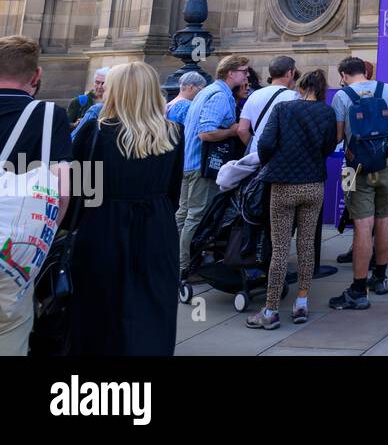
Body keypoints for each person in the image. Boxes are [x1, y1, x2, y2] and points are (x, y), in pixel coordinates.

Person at [65, 62, 182, 355]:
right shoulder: (173, 133)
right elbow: (174, 192)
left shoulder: (95, 131)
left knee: (97, 309)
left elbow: (79, 190)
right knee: (152, 308)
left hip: (102, 225)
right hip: (157, 227)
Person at [248, 69, 337, 329]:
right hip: (313, 184)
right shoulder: (327, 112)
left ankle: (271, 310)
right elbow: (329, 147)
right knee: (307, 246)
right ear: (322, 90)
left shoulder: (283, 109)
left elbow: (264, 144)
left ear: (300, 86)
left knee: (280, 249)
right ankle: (301, 303)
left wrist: (274, 164)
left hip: (283, 185)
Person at [0, 36, 72, 357]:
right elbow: (64, 190)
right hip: (12, 253)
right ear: (36, 76)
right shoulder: (48, 116)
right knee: (10, 330)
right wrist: (41, 240)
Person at [329, 57, 388, 310]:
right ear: (365, 71)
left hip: (354, 168)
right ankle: (380, 278)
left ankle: (358, 289)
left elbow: (339, 136)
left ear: (343, 74)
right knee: (384, 218)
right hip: (387, 164)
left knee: (362, 224)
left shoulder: (341, 97)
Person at [178, 54, 249, 280]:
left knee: (184, 214)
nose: (247, 76)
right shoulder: (219, 95)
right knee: (196, 216)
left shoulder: (209, 91)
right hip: (201, 165)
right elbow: (206, 132)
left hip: (190, 162)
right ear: (231, 73)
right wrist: (234, 131)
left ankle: (173, 259)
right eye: (244, 71)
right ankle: (185, 267)